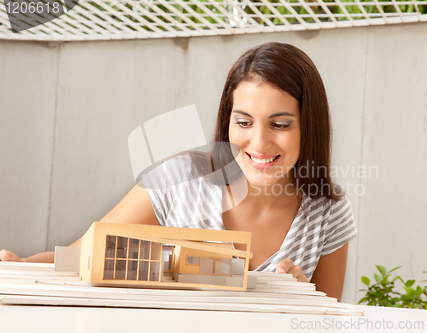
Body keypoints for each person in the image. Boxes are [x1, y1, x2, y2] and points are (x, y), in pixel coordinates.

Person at [0, 42, 357, 300]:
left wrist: (303, 299)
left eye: (279, 124)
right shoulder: (179, 178)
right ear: (227, 122)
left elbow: (326, 321)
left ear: (309, 126)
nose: (259, 143)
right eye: (244, 122)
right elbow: (81, 258)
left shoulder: (328, 212)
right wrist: (21, 265)